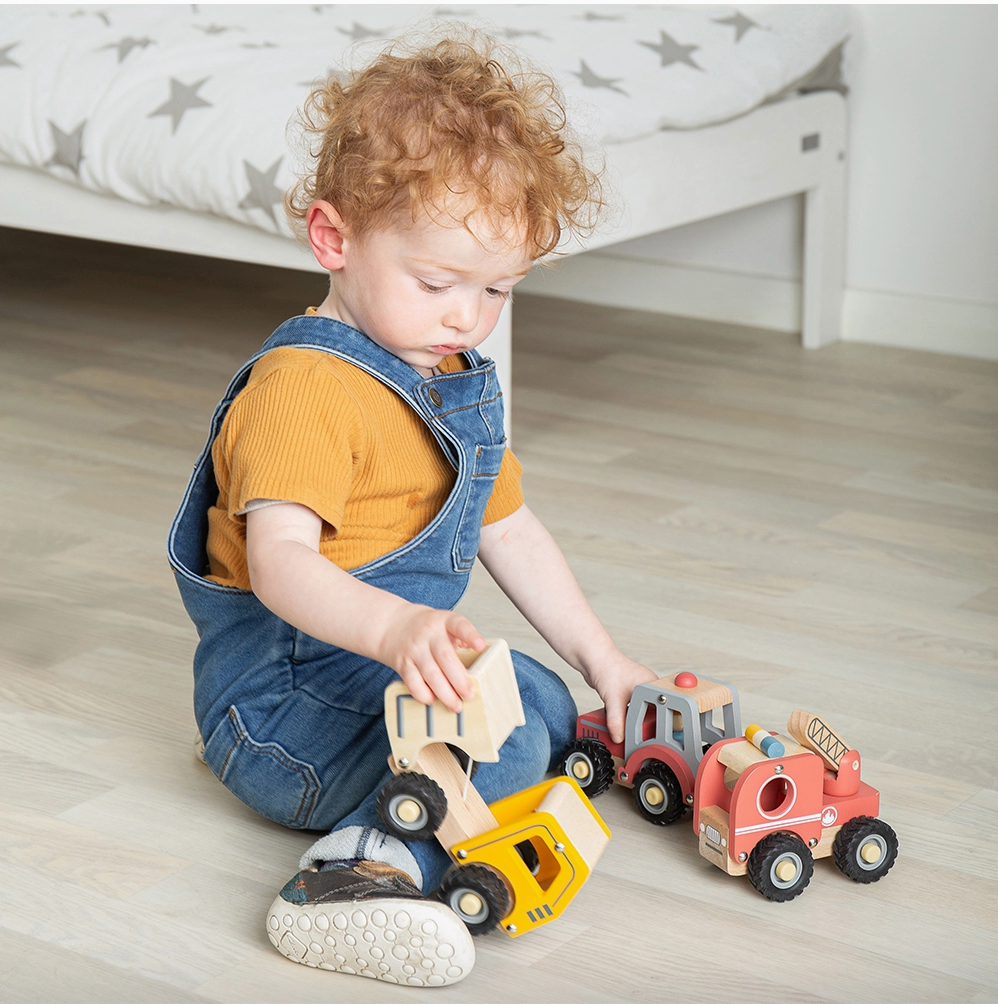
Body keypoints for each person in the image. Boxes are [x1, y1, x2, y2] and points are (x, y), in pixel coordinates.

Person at [168, 32, 655, 988]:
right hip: (285, 707)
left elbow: (509, 526)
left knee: (543, 700)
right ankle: (358, 874)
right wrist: (396, 627)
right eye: (436, 284)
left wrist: (605, 662)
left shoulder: (449, 380)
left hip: (372, 677)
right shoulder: (307, 387)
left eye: (496, 292)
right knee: (511, 733)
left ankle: (437, 819)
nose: (466, 318)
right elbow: (279, 562)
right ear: (335, 239)